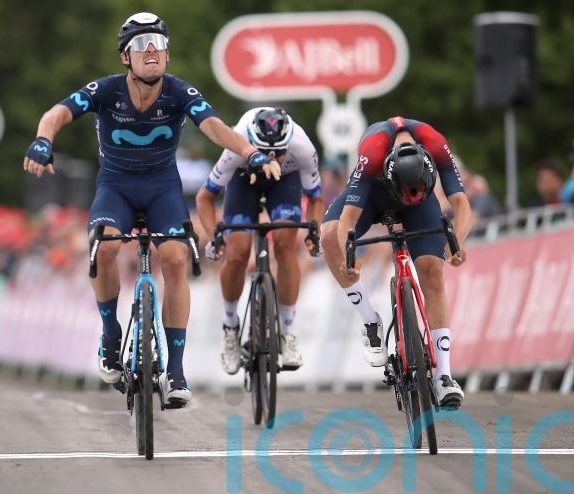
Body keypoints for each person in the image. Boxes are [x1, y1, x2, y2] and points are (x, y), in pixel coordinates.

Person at [22, 12, 280, 407]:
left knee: (176, 259)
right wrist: (44, 140)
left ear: (167, 55)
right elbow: (56, 113)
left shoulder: (179, 92)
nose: (152, 52)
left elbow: (213, 125)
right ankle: (110, 334)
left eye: (158, 44)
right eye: (141, 45)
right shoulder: (106, 91)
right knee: (105, 248)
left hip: (162, 189)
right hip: (116, 189)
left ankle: (175, 370)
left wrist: (250, 152)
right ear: (125, 57)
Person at [319, 116, 472, 408]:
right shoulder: (373, 149)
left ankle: (444, 377)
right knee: (328, 236)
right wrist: (349, 256)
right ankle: (370, 321)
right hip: (372, 197)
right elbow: (349, 218)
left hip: (420, 202)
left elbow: (462, 204)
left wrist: (458, 245)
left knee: (433, 274)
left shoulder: (435, 143)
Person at [195, 107, 325, 374]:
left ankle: (288, 332)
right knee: (238, 252)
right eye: (266, 152)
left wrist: (314, 231)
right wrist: (215, 235)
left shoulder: (301, 145)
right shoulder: (235, 145)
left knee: (286, 246)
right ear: (252, 144)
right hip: (244, 181)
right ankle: (230, 326)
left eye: (279, 152)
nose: (274, 158)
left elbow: (316, 197)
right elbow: (204, 198)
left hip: (284, 183)